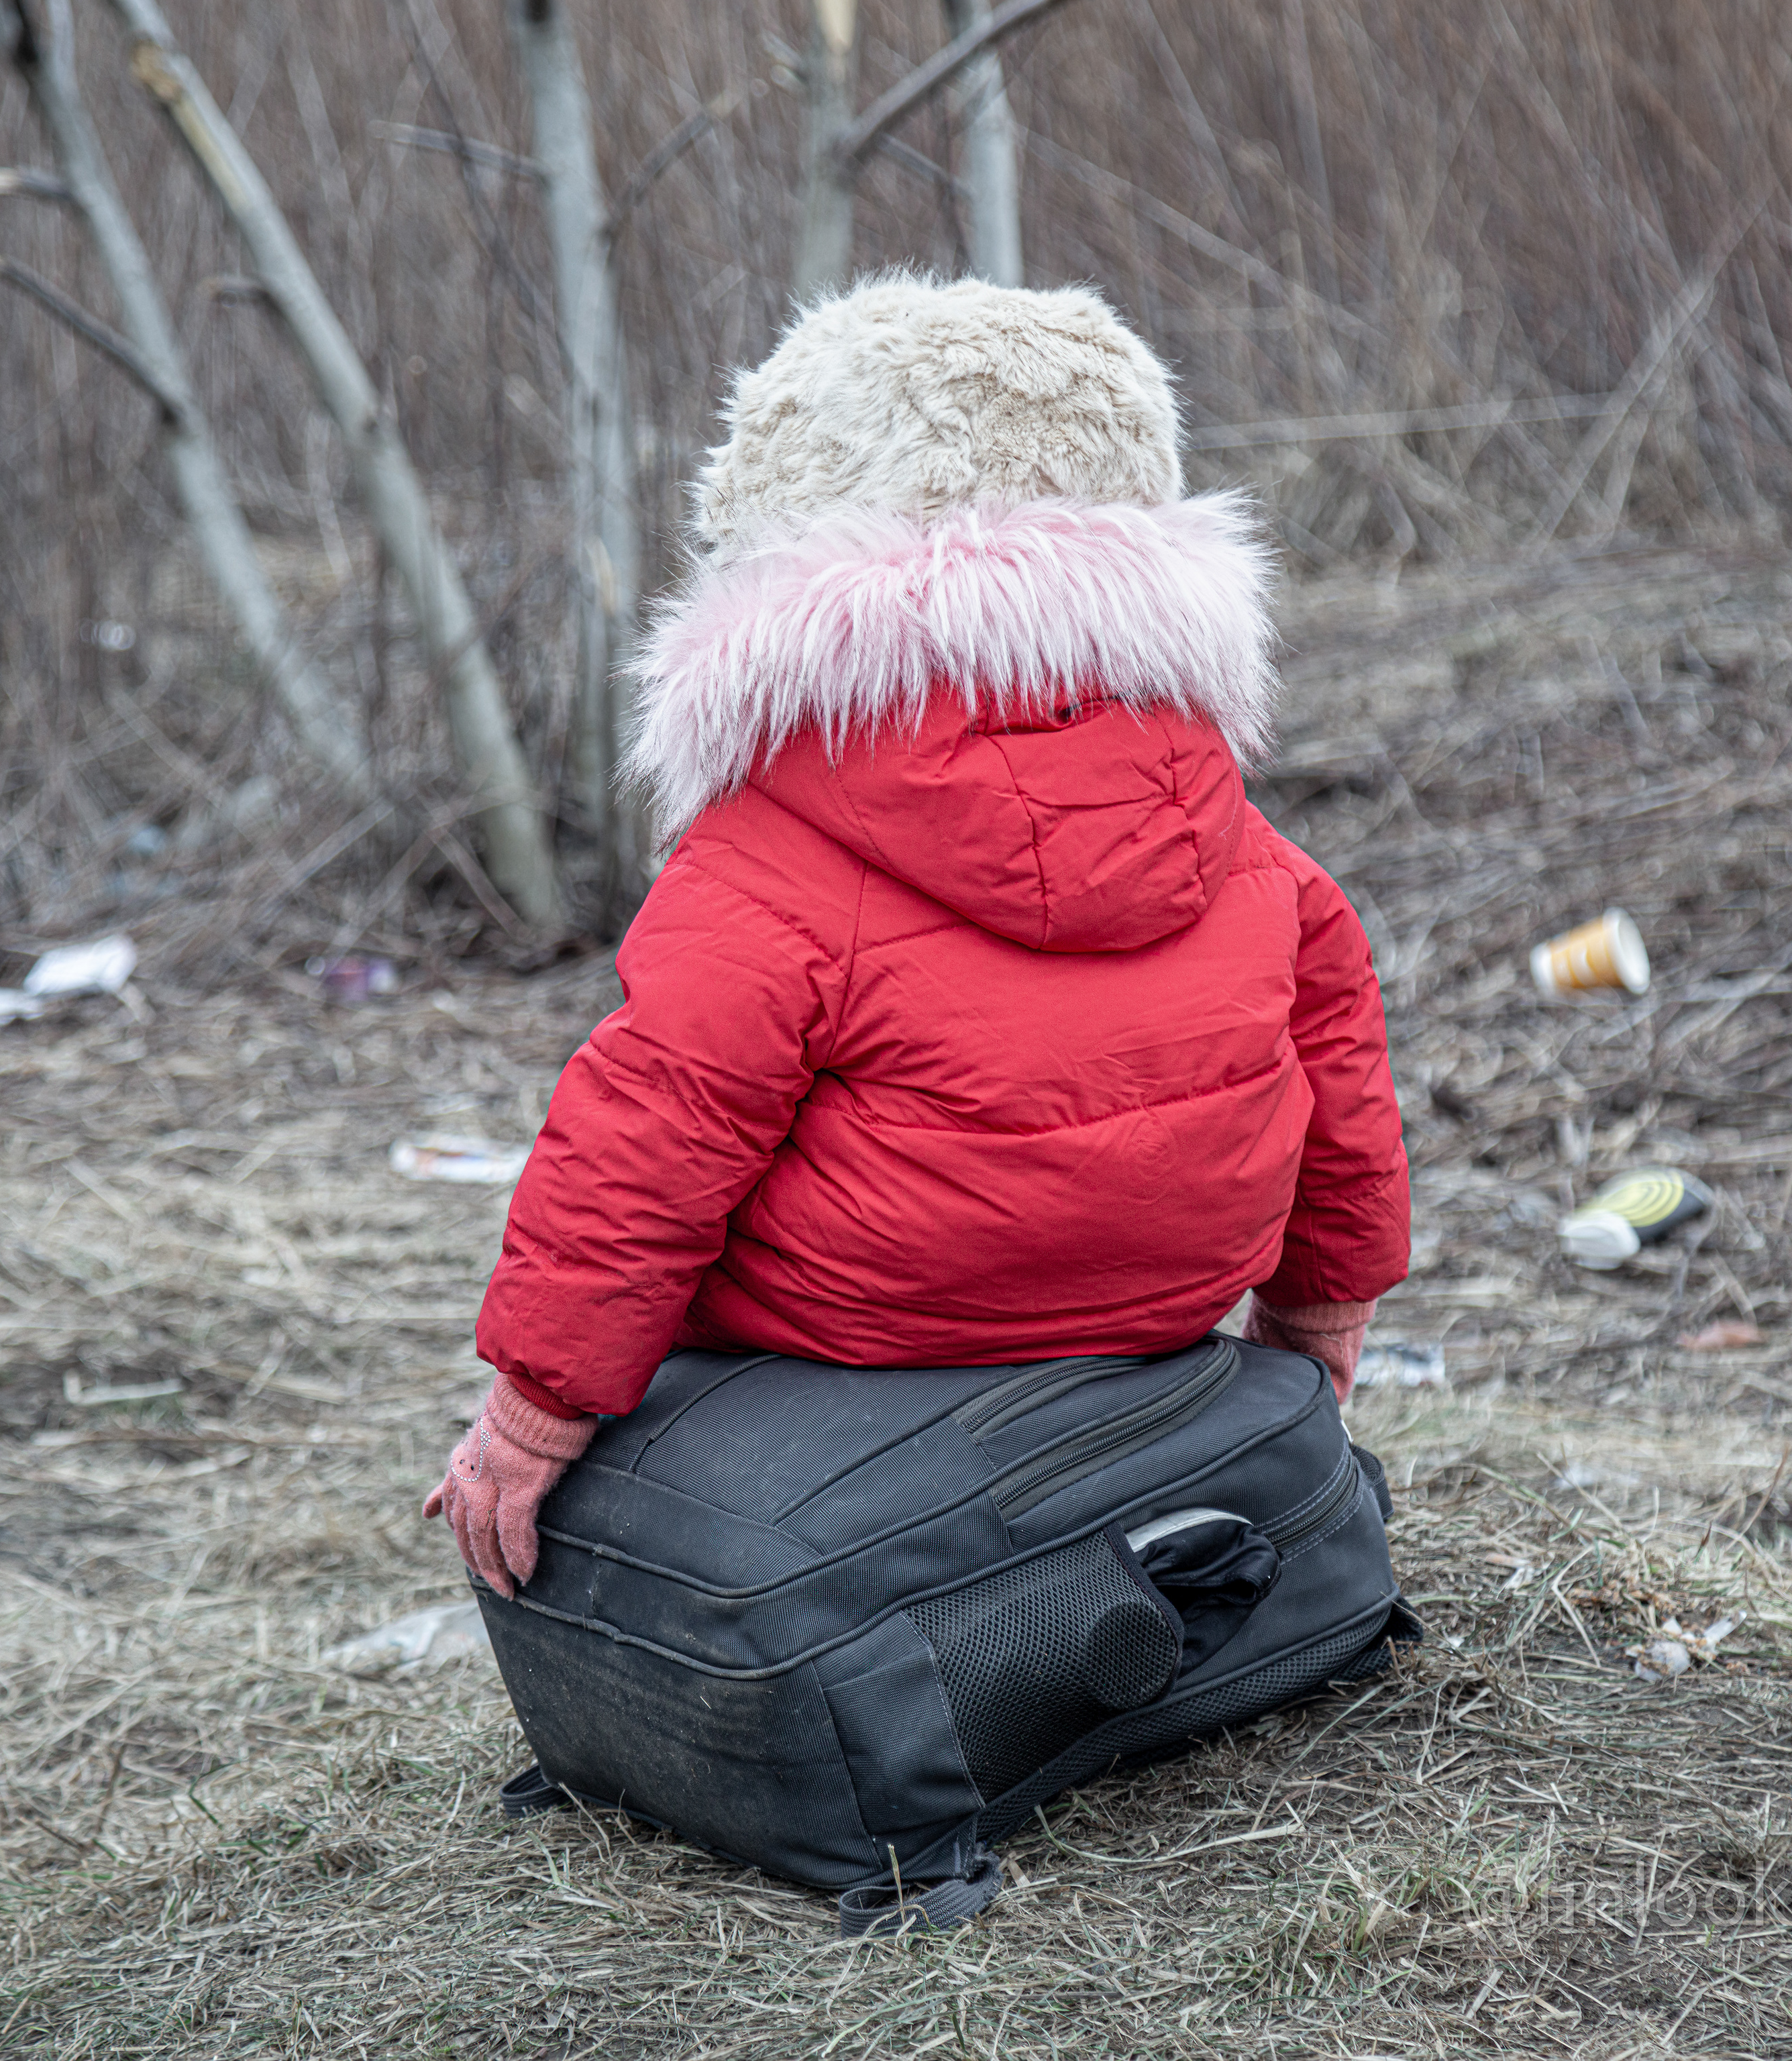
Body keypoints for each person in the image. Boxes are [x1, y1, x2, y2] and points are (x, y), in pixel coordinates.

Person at [427, 276, 1410, 1599]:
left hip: (861, 1337)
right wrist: (1312, 1323)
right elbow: (1339, 1065)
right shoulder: (1233, 829)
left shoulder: (772, 850)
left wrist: (538, 1409)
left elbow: (652, 1133)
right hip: (1159, 1315)